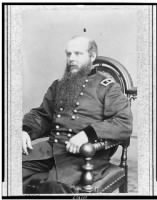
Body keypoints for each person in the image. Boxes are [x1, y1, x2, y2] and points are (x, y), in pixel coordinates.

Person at [22, 36, 133, 194]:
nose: (71, 59)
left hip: (85, 155)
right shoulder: (59, 85)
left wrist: (88, 134)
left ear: (92, 56)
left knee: (55, 187)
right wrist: (25, 130)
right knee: (10, 166)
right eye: (68, 54)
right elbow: (42, 115)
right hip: (51, 148)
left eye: (77, 54)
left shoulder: (107, 88)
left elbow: (123, 123)